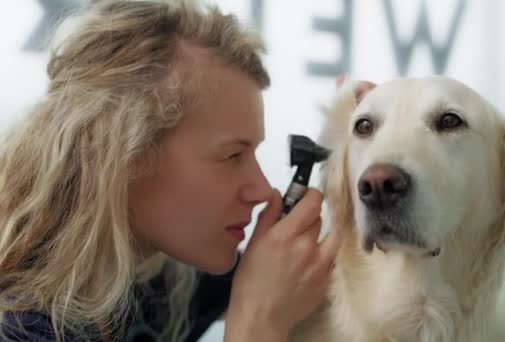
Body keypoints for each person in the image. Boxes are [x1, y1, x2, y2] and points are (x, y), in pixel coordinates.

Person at [0, 1, 342, 341]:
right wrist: (257, 321)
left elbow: (286, 280)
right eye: (233, 155)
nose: (263, 189)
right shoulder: (19, 327)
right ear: (125, 153)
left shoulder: (150, 283)